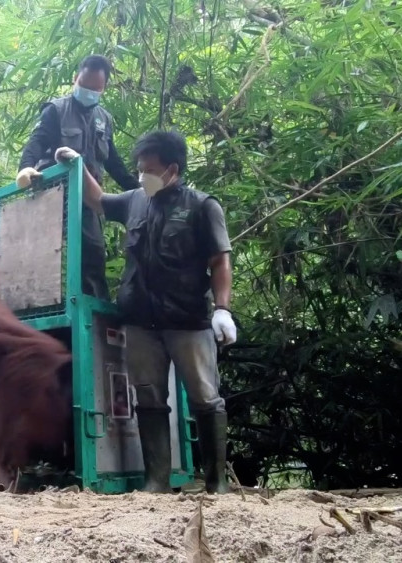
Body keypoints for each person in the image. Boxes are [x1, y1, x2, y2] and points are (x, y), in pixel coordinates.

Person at [54, 130, 237, 494]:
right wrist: (79, 165)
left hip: (187, 321)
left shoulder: (203, 206)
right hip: (140, 321)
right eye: (139, 169)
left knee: (205, 397)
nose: (142, 177)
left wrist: (223, 309)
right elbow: (98, 201)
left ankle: (217, 484)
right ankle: (157, 482)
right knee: (149, 398)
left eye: (149, 170)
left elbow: (220, 260)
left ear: (173, 169)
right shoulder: (136, 201)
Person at [15, 54, 140, 300]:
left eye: (96, 88)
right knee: (45, 254)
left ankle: (93, 307)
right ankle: (42, 304)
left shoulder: (104, 119)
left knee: (93, 251)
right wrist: (25, 168)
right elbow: (36, 142)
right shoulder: (56, 110)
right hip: (54, 193)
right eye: (85, 85)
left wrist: (138, 190)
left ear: (103, 88)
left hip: (87, 198)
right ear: (75, 79)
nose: (89, 92)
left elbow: (113, 162)